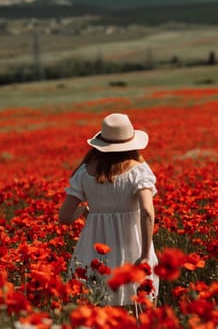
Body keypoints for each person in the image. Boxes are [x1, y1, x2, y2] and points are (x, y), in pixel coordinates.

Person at [59, 113, 159, 306]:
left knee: (98, 307)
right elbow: (147, 211)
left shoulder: (84, 172)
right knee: (140, 308)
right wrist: (145, 254)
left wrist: (83, 212)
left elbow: (64, 217)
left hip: (94, 249)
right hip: (133, 247)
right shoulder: (138, 170)